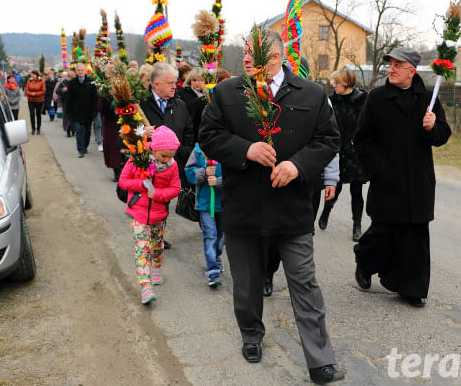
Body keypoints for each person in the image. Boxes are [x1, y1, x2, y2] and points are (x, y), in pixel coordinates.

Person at [199, 28, 345, 384]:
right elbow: (209, 135)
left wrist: (298, 165)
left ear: (277, 57)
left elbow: (329, 139)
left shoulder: (311, 93)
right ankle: (251, 334)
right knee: (247, 282)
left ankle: (320, 358)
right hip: (243, 207)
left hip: (291, 208)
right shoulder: (225, 92)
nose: (246, 58)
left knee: (304, 282)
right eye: (245, 52)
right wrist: (245, 150)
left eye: (254, 53)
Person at [353, 48, 451, 308]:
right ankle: (364, 261)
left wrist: (432, 128)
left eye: (398, 65)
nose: (392, 69)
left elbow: (442, 135)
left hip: (418, 181)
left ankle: (411, 288)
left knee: (415, 236)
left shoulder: (428, 99)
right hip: (387, 179)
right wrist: (378, 170)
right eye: (390, 64)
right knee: (383, 234)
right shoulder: (376, 98)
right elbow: (362, 139)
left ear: (413, 70)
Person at [118, 126, 181, 304]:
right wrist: (142, 185)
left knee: (156, 244)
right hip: (138, 211)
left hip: (158, 213)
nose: (167, 159)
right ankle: (145, 287)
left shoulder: (172, 166)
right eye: (164, 156)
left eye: (171, 156)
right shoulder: (138, 159)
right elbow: (123, 181)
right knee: (142, 247)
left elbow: (176, 188)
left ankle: (158, 266)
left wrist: (158, 195)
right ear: (154, 148)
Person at [264, 154, 339, 298]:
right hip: (278, 179)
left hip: (309, 185)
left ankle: (298, 282)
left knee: (303, 234)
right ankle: (268, 273)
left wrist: (331, 178)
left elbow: (328, 143)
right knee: (275, 233)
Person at [140, 62, 195, 249]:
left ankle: (158, 235)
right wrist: (140, 132)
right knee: (147, 200)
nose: (175, 86)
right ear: (155, 84)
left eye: (175, 82)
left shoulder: (179, 105)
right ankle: (147, 234)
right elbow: (123, 131)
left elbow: (189, 133)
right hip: (146, 164)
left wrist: (181, 155)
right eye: (170, 82)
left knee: (163, 202)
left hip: (172, 165)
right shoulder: (139, 103)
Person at [317, 68, 369, 240]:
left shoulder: (363, 100)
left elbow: (369, 123)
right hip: (337, 151)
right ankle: (326, 212)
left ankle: (357, 225)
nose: (334, 85)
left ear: (347, 83)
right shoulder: (331, 100)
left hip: (356, 153)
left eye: (337, 82)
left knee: (356, 191)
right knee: (335, 187)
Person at [185, 143, 225, 288]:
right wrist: (204, 173)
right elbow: (189, 172)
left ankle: (216, 256)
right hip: (205, 204)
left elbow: (236, 176)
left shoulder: (226, 146)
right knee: (210, 235)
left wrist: (219, 182)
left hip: (224, 204)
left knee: (221, 235)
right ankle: (213, 271)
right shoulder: (198, 150)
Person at [65, 63, 98, 158]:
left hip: (88, 111)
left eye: (82, 70)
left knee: (87, 131)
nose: (80, 72)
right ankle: (80, 149)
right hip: (76, 112)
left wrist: (95, 110)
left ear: (85, 71)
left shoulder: (90, 82)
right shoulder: (72, 83)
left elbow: (95, 98)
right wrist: (69, 111)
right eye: (79, 70)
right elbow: (69, 98)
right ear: (76, 71)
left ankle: (85, 145)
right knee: (78, 130)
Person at [24, 70, 45, 135]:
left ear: (37, 75)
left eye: (33, 75)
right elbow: (26, 90)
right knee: (32, 114)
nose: (32, 76)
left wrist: (35, 94)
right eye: (31, 75)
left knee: (38, 114)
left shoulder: (41, 81)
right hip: (30, 100)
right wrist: (31, 93)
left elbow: (43, 90)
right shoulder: (29, 81)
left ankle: (38, 128)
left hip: (39, 100)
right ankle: (33, 128)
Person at [56, 70, 76, 137]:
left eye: (72, 78)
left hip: (74, 102)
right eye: (70, 77)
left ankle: (73, 130)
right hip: (66, 102)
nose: (70, 79)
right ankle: (68, 130)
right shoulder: (63, 82)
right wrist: (62, 90)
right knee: (67, 116)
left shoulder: (75, 82)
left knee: (73, 116)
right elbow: (57, 90)